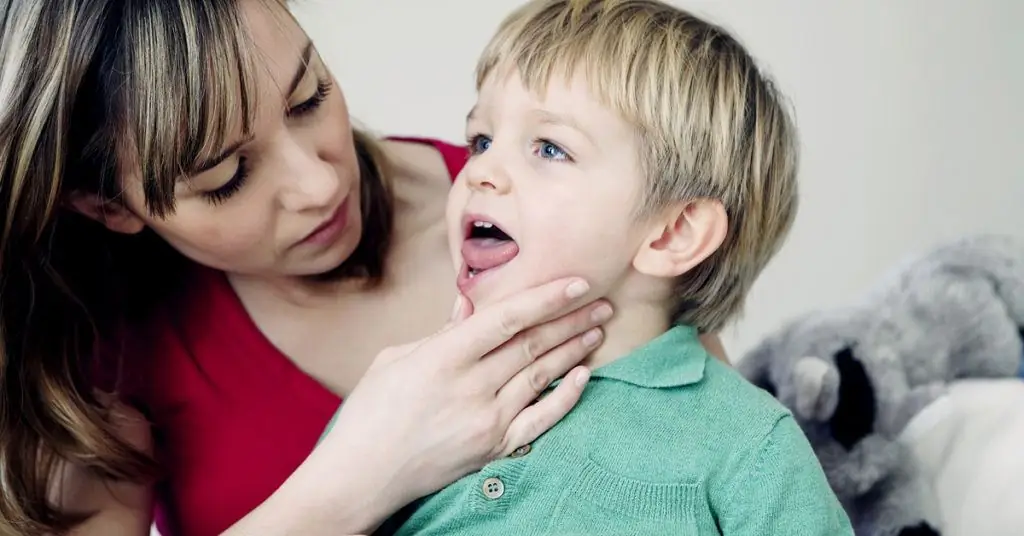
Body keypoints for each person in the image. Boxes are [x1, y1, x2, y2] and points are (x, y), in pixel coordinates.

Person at [0, 1, 729, 536]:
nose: (318, 184)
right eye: (225, 176)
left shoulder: (556, 214)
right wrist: (356, 480)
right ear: (105, 205)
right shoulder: (97, 365)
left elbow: (722, 463)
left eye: (309, 96)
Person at [343, 0, 854, 534]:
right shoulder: (408, 399)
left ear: (673, 233)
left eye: (549, 148)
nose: (481, 171)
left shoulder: (749, 448)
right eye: (483, 140)